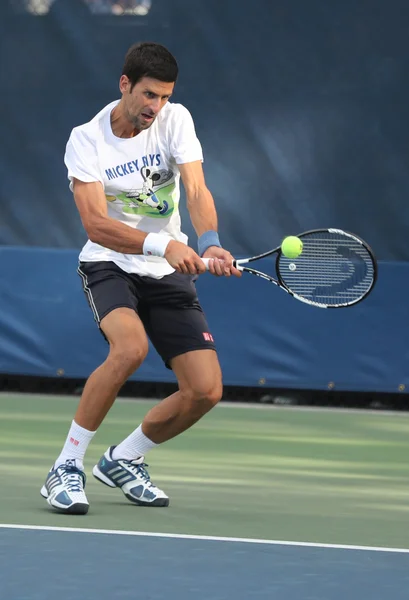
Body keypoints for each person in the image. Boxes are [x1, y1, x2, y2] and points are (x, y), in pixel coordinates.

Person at [40, 41, 240, 515]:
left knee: (206, 390)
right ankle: (65, 466)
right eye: (149, 95)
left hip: (165, 270)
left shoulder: (176, 120)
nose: (156, 107)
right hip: (109, 263)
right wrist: (162, 244)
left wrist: (208, 240)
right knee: (129, 349)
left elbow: (196, 188)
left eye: (165, 97)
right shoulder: (86, 140)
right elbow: (95, 224)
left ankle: (125, 458)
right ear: (125, 84)